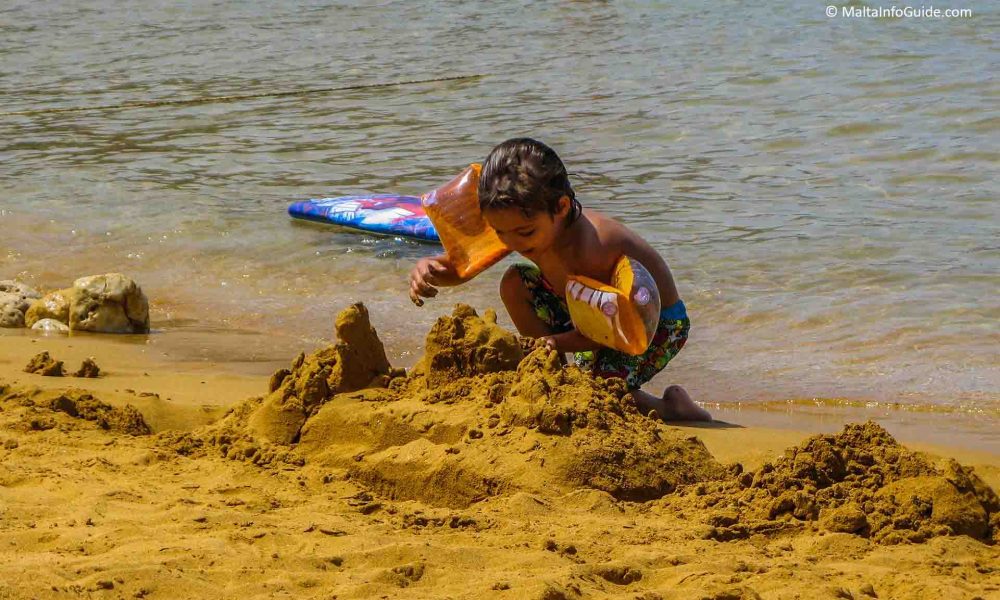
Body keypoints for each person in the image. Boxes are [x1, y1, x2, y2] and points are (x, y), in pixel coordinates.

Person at [408, 138, 711, 421]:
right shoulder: (519, 221)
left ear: (562, 208)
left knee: (597, 390)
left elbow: (607, 330)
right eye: (500, 232)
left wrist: (549, 343)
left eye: (523, 233)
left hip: (647, 325)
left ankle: (671, 408)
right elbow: (462, 267)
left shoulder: (590, 250)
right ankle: (556, 375)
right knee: (514, 281)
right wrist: (430, 268)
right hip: (588, 308)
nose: (510, 242)